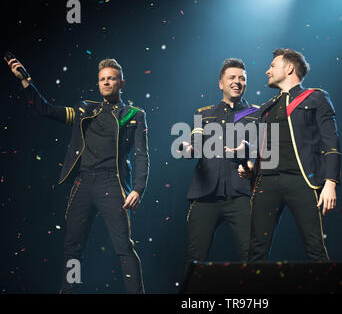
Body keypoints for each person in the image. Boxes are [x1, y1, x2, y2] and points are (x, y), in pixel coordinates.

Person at [5, 57, 149, 293]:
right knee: (72, 247)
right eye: (102, 79)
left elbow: (142, 155)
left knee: (123, 246)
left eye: (111, 79)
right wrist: (25, 81)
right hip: (83, 184)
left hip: (111, 184)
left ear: (121, 83)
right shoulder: (85, 110)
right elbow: (44, 109)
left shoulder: (133, 114)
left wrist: (137, 188)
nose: (105, 82)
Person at [248, 48, 340, 262]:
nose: (267, 71)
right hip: (266, 183)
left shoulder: (316, 97)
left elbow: (331, 141)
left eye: (272, 66)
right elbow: (261, 149)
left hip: (302, 181)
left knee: (315, 247)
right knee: (256, 250)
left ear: (289, 68)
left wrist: (331, 182)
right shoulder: (265, 108)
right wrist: (250, 167)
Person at [181, 58, 258, 273]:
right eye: (232, 77)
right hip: (205, 196)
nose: (237, 81)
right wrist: (187, 149)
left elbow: (263, 152)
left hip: (242, 195)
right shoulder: (203, 114)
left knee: (252, 256)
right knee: (195, 259)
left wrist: (250, 163)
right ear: (221, 83)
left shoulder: (257, 114)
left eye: (242, 78)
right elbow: (194, 147)